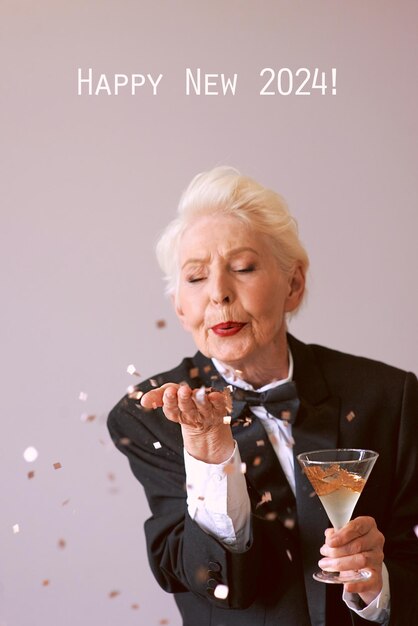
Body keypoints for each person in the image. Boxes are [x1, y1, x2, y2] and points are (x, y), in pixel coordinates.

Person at [107, 167, 418, 626]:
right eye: (195, 277)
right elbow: (207, 579)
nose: (218, 294)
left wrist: (378, 585)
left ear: (293, 284)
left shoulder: (389, 397)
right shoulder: (151, 415)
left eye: (243, 268)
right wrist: (210, 456)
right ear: (179, 305)